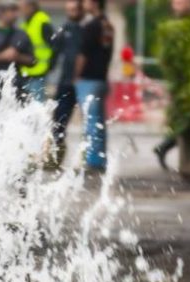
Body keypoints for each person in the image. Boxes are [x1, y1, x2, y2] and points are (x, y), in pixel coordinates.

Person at [153, 0, 190, 170]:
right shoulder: (172, 27)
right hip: (181, 83)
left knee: (186, 121)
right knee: (185, 121)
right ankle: (165, 146)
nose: (181, 4)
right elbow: (167, 58)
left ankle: (164, 146)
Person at [74, 0, 114, 172]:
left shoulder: (91, 26)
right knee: (98, 122)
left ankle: (93, 161)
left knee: (91, 123)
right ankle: (99, 159)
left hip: (89, 79)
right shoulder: (108, 25)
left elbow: (83, 53)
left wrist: (76, 75)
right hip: (101, 79)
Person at [51, 0, 84, 151]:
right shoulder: (63, 30)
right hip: (66, 81)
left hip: (83, 81)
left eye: (74, 10)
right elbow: (55, 53)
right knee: (60, 117)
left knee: (88, 119)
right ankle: (56, 149)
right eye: (69, 10)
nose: (71, 13)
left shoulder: (86, 30)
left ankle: (85, 152)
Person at [19, 0, 54, 101]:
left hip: (39, 69)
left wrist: (51, 65)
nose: (21, 10)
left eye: (23, 6)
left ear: (31, 7)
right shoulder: (26, 22)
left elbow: (54, 45)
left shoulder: (41, 21)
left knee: (37, 102)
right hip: (26, 70)